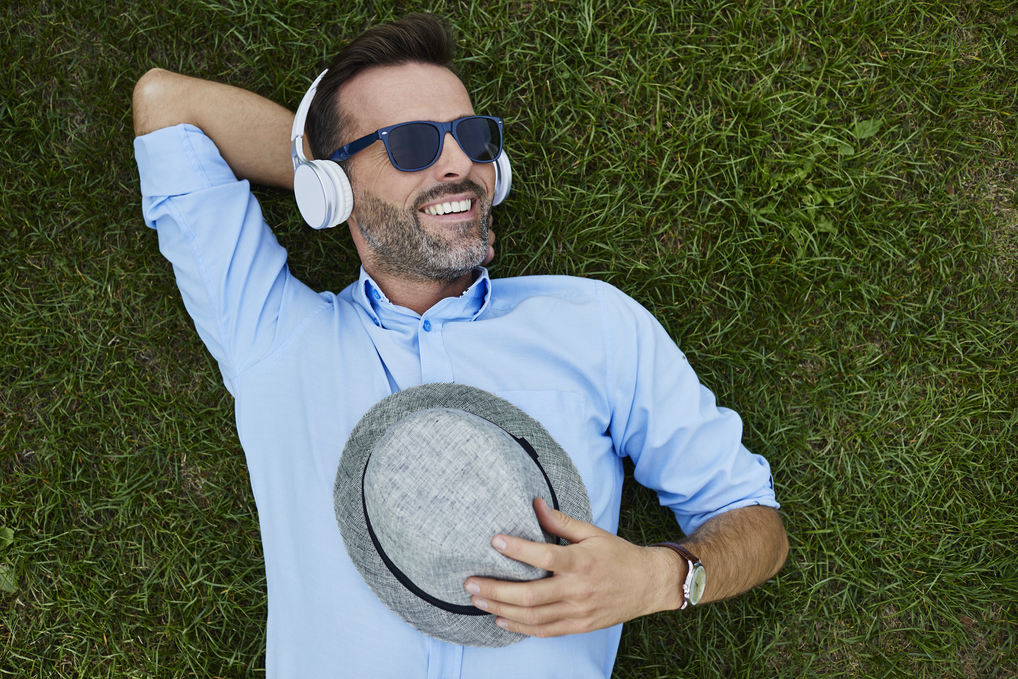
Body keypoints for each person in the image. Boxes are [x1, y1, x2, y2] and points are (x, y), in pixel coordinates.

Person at [131, 13, 787, 678]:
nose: (460, 165)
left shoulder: (593, 325)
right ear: (334, 183)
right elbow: (166, 104)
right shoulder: (273, 335)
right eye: (412, 144)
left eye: (472, 138)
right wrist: (322, 182)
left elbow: (753, 519)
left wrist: (660, 577)